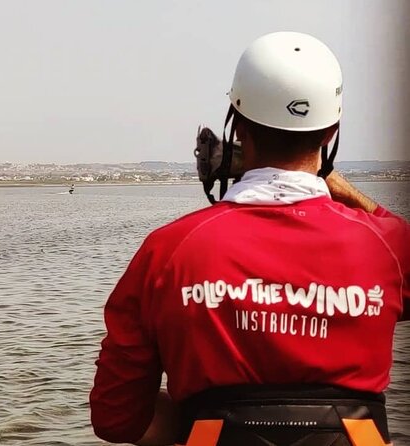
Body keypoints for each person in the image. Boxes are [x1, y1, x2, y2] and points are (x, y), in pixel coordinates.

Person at [90, 31, 409, 446]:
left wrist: (195, 417)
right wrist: (347, 194)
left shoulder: (167, 251)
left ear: (237, 125)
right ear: (331, 131)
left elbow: (115, 418)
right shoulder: (387, 247)